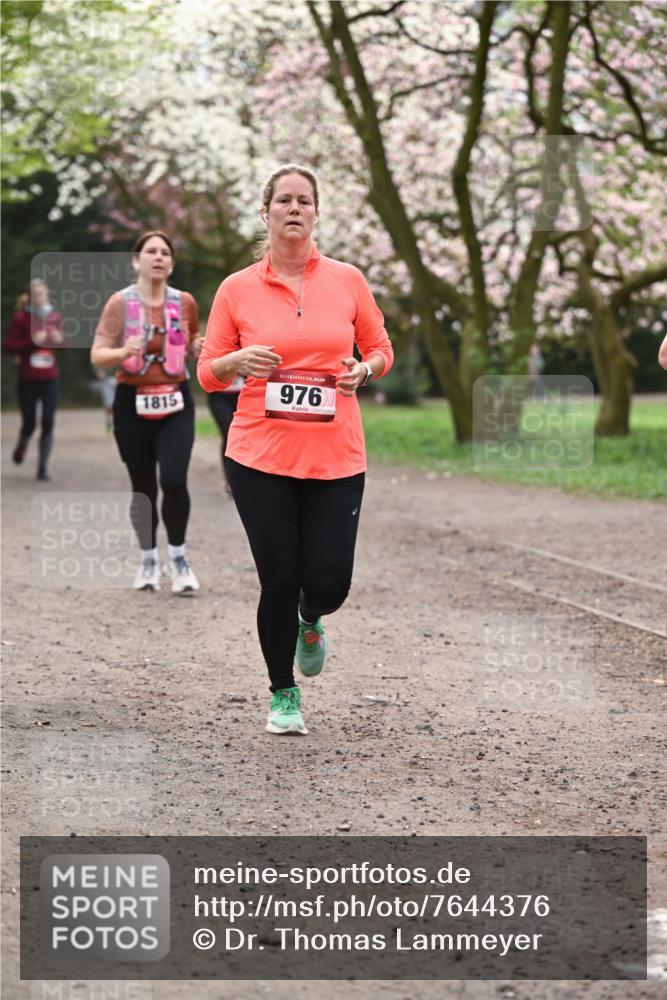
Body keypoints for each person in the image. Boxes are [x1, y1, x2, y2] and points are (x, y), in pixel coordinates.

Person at [197, 164, 394, 736]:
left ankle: (313, 617)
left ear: (316, 212)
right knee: (280, 576)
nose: (294, 209)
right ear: (266, 213)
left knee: (328, 582)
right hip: (261, 453)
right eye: (283, 200)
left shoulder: (348, 280)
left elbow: (381, 346)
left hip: (336, 453)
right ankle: (283, 693)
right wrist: (238, 362)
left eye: (304, 200)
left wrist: (364, 368)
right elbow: (209, 373)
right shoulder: (237, 288)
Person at [91, 230, 203, 594]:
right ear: (136, 261)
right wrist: (124, 351)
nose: (158, 257)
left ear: (171, 263)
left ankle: (180, 559)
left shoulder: (184, 302)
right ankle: (148, 560)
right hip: (131, 403)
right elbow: (98, 354)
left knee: (173, 479)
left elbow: (192, 343)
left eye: (165, 252)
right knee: (143, 488)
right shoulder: (120, 303)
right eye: (150, 251)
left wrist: (199, 347)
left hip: (175, 400)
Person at [4, 278, 65, 481]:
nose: (40, 297)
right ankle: (23, 442)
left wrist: (59, 341)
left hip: (50, 379)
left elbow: (64, 346)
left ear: (47, 294)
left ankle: (42, 468)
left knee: (48, 420)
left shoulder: (54, 316)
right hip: (28, 379)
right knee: (29, 422)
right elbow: (8, 346)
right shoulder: (21, 318)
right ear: (29, 296)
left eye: (43, 293)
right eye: (36, 294)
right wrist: (32, 341)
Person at [206, 375, 243, 494]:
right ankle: (230, 481)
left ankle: (246, 477)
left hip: (243, 394)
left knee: (245, 436)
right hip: (218, 396)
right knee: (229, 433)